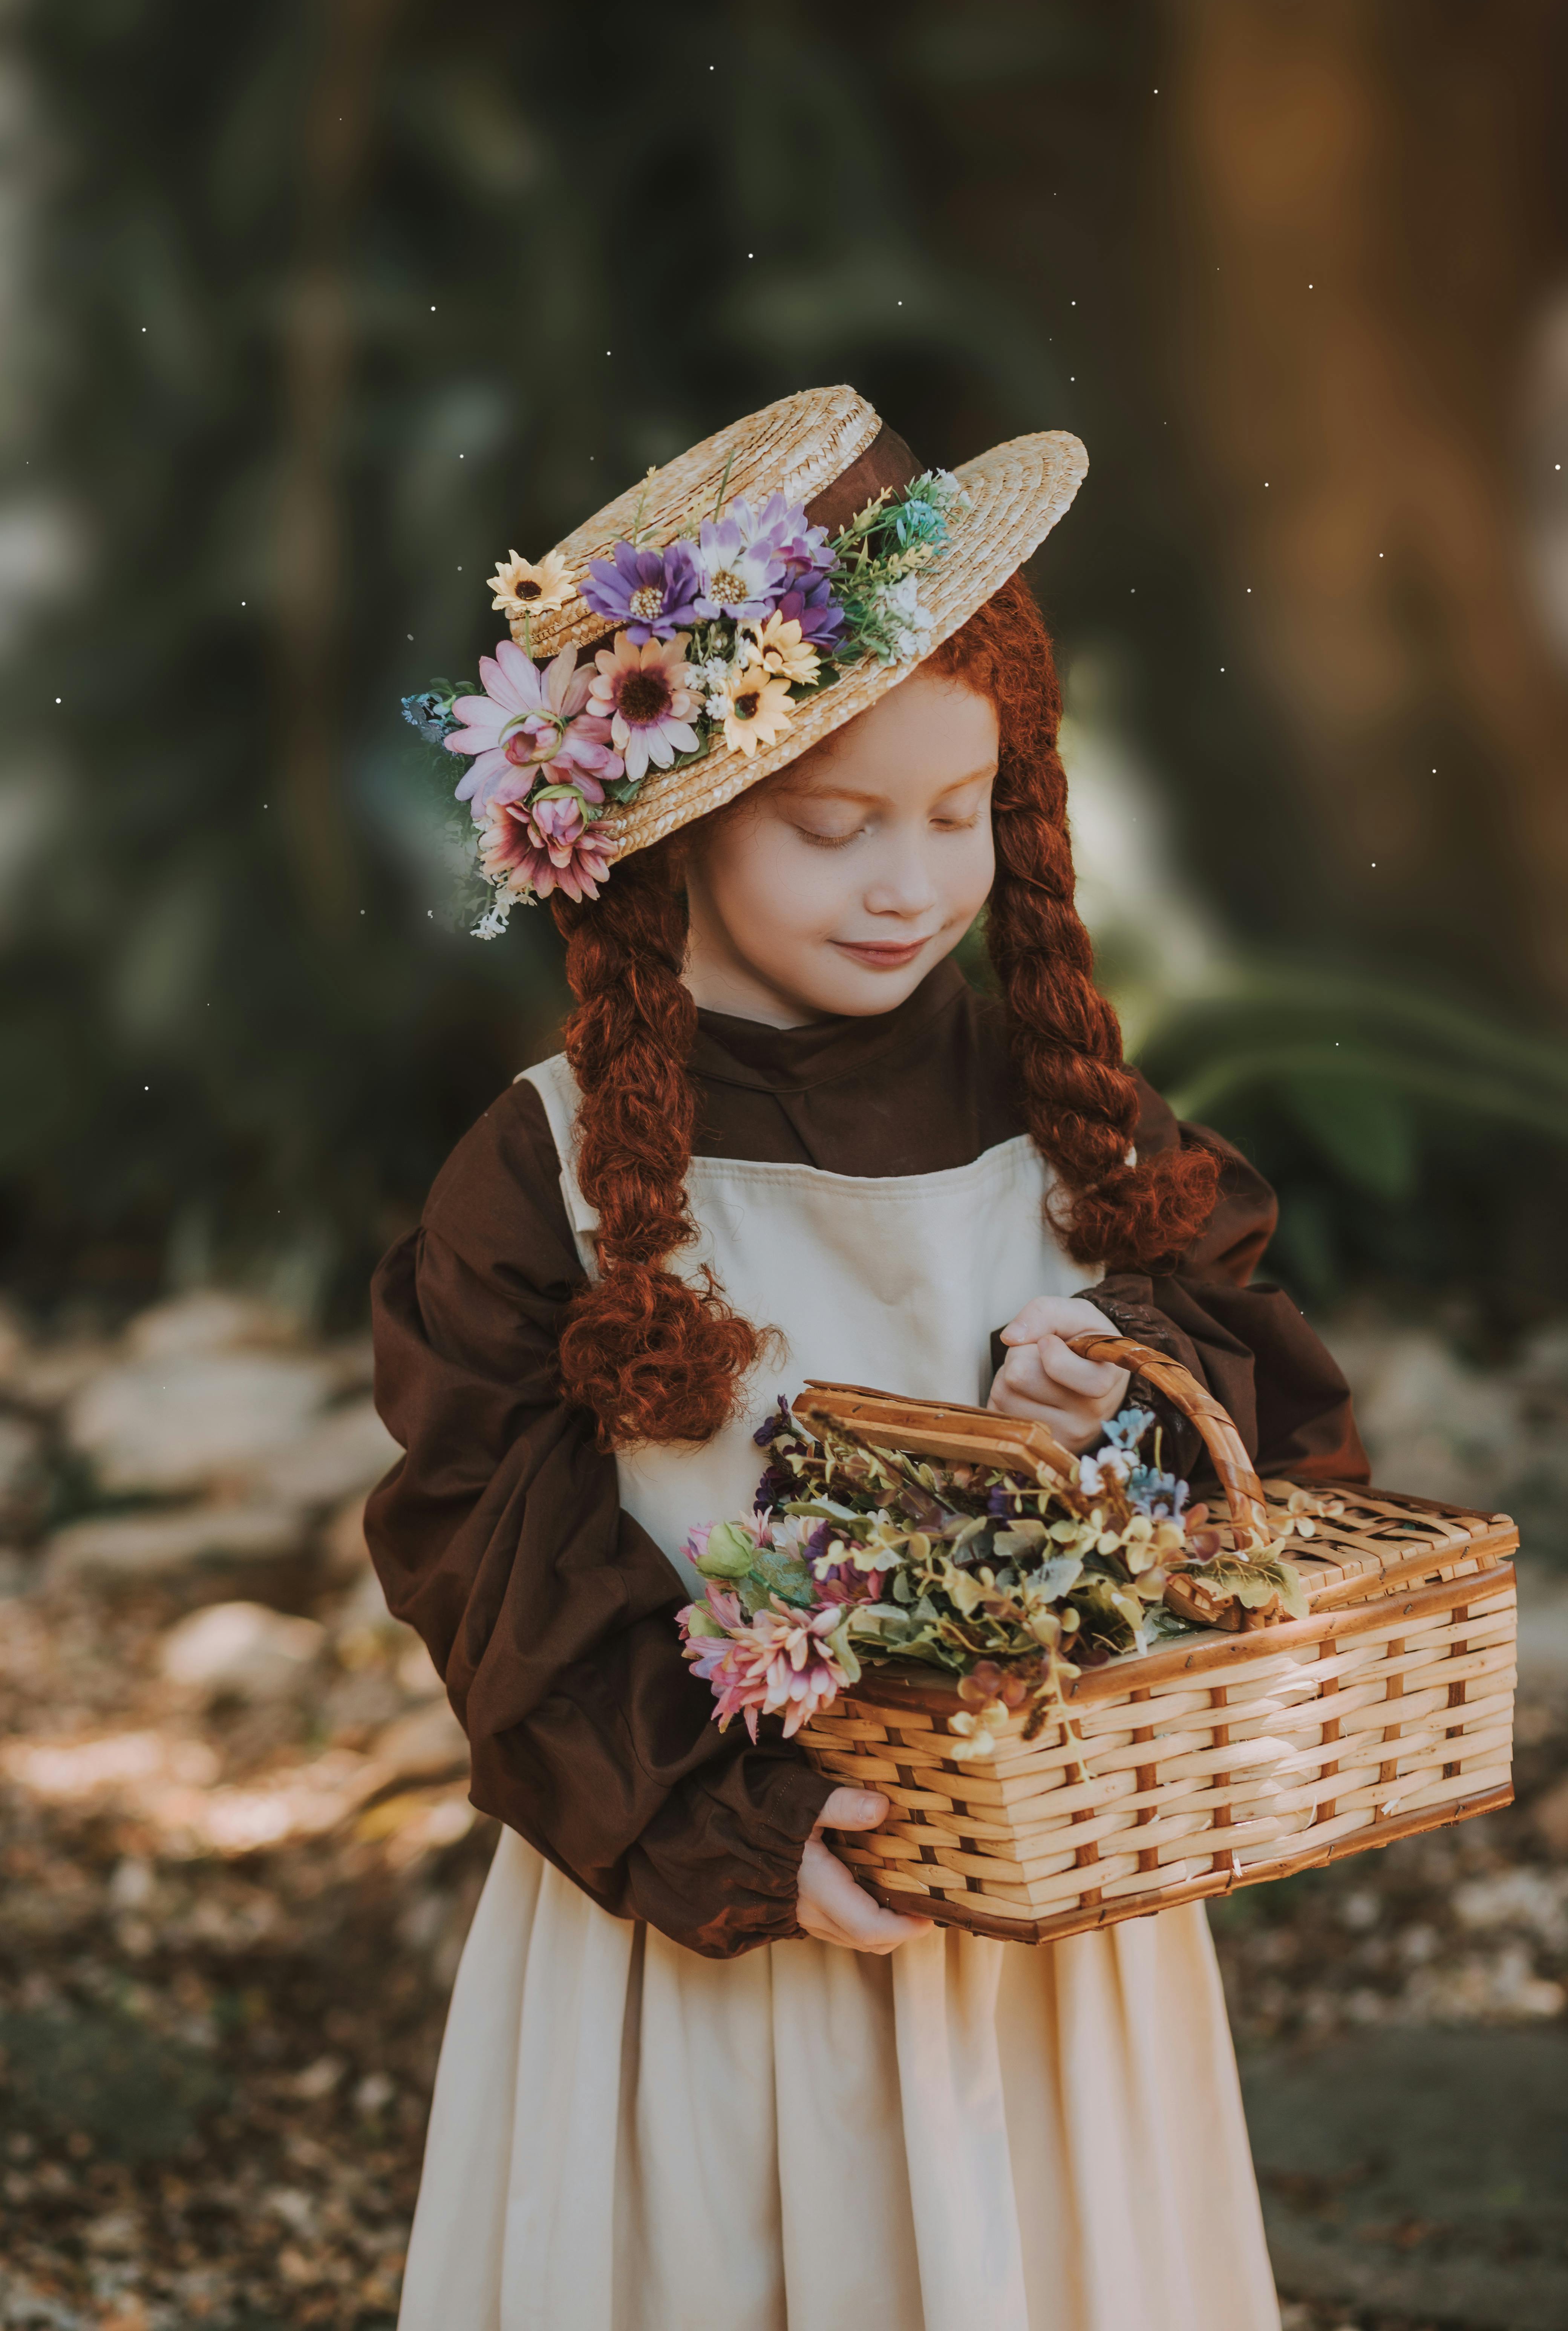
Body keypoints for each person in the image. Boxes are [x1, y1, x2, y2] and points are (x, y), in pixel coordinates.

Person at [366, 387, 1366, 2331]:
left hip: (1039, 1910)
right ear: (675, 829)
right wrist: (711, 1812)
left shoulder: (1067, 1119)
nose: (913, 885)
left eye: (958, 813)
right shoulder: (550, 1170)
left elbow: (1261, 1421)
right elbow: (479, 1534)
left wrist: (1129, 1396)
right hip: (715, 1920)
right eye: (834, 830)